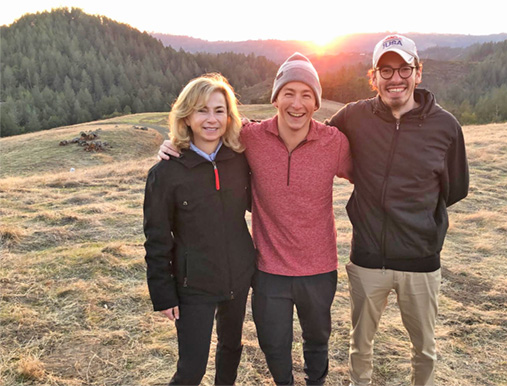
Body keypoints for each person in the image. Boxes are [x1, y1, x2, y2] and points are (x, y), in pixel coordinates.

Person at [158, 53, 353, 385]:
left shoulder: (334, 142)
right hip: (268, 268)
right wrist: (173, 147)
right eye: (288, 92)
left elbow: (369, 178)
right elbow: (210, 129)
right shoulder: (251, 137)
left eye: (307, 94)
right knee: (273, 346)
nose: (297, 103)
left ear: (316, 103)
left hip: (320, 268)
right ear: (275, 97)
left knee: (317, 342)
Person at [326, 34, 469, 386]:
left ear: (418, 73)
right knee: (360, 345)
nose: (395, 78)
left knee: (424, 348)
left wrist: (418, 216)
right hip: (368, 257)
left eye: (404, 68)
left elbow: (455, 188)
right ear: (373, 77)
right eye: (386, 70)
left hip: (420, 259)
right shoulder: (353, 117)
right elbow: (310, 145)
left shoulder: (446, 126)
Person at [143, 73, 256, 386]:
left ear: (229, 116)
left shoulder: (241, 161)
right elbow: (156, 238)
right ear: (186, 116)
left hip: (239, 275)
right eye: (201, 110)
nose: (211, 119)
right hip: (193, 285)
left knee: (231, 348)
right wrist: (163, 293)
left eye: (219, 111)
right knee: (192, 370)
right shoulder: (166, 172)